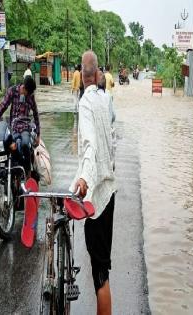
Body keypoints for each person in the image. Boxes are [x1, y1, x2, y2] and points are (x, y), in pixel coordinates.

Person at [71, 51, 116, 315]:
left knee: (100, 273)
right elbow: (109, 140)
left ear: (80, 75)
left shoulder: (86, 103)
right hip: (109, 191)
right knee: (102, 266)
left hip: (96, 196)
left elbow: (90, 145)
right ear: (98, 75)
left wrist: (84, 178)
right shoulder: (106, 99)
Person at [0, 76, 40, 176]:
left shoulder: (30, 97)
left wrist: (38, 134)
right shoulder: (12, 91)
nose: (29, 95)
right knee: (8, 147)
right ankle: (12, 170)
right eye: (28, 92)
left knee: (25, 144)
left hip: (25, 128)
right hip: (13, 127)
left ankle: (28, 172)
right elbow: (3, 105)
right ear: (24, 88)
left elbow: (35, 113)